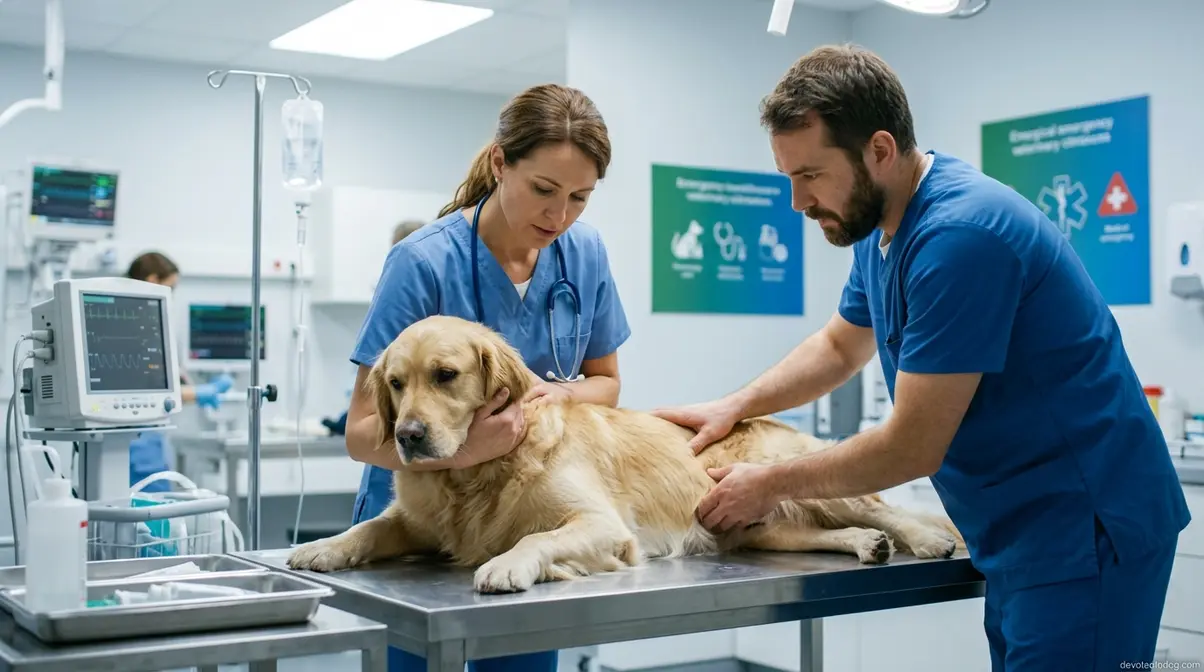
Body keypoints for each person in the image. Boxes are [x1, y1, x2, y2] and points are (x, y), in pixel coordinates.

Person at [652, 45, 1191, 671]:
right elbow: (837, 346)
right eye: (788, 178)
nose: (798, 203)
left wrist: (768, 484)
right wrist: (734, 405)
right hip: (1021, 528)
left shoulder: (961, 237)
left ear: (879, 150)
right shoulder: (879, 225)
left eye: (810, 176)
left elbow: (911, 446)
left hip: (1085, 528)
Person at [345, 83, 631, 672]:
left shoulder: (585, 253)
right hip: (418, 527)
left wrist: (556, 394)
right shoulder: (422, 263)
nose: (559, 216)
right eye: (544, 190)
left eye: (580, 197)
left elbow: (607, 384)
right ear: (501, 163)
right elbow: (360, 431)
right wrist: (465, 450)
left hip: (525, 520)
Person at [124, 252, 233, 491]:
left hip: (148, 442)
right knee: (144, 520)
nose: (171, 296)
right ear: (153, 281)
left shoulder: (142, 327)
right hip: (136, 448)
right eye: (170, 288)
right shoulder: (129, 329)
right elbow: (148, 392)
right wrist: (201, 392)